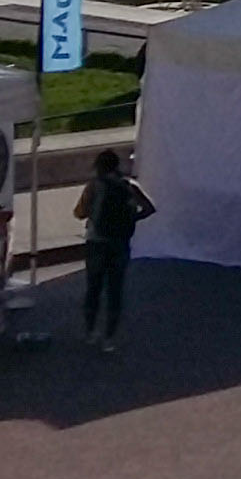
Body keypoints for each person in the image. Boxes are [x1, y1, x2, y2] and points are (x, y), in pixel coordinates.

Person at [72, 149, 155, 353]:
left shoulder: (93, 186)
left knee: (94, 288)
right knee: (114, 290)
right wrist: (130, 219)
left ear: (99, 167)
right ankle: (109, 338)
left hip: (96, 242)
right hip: (119, 243)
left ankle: (90, 333)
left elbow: (78, 213)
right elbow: (150, 208)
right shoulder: (128, 186)